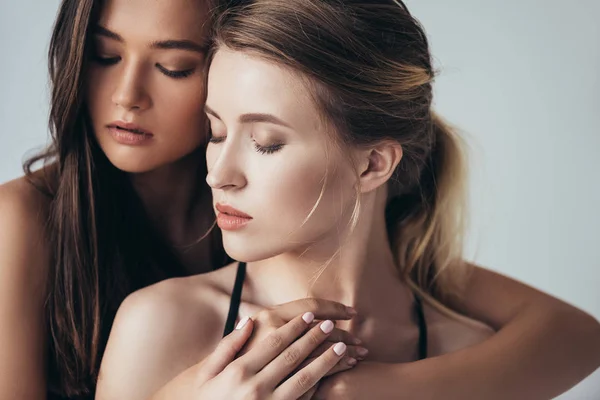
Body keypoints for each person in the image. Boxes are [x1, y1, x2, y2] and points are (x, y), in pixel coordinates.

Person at [1, 0, 598, 399]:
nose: (219, 174)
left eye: (264, 143)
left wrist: (378, 389)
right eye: (215, 132)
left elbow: (574, 334)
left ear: (373, 163)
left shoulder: (466, 346)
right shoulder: (158, 319)